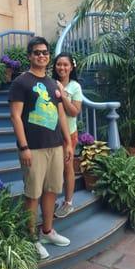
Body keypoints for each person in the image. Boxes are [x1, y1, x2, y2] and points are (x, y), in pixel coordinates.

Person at [8, 36, 73, 260]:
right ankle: (32, 238)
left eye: (45, 52)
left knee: (52, 189)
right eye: (37, 52)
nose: (42, 56)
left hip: (55, 146)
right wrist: (23, 146)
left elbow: (60, 114)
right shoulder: (21, 82)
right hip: (33, 148)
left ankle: (47, 231)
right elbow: (16, 116)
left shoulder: (53, 83)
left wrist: (67, 142)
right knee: (32, 193)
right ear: (29, 56)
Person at [52, 52, 82, 218]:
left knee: (67, 167)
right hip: (50, 133)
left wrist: (63, 95)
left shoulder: (75, 87)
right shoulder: (50, 83)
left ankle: (68, 202)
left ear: (71, 67)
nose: (62, 67)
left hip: (68, 134)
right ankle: (52, 199)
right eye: (59, 64)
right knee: (52, 169)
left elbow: (74, 112)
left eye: (65, 65)